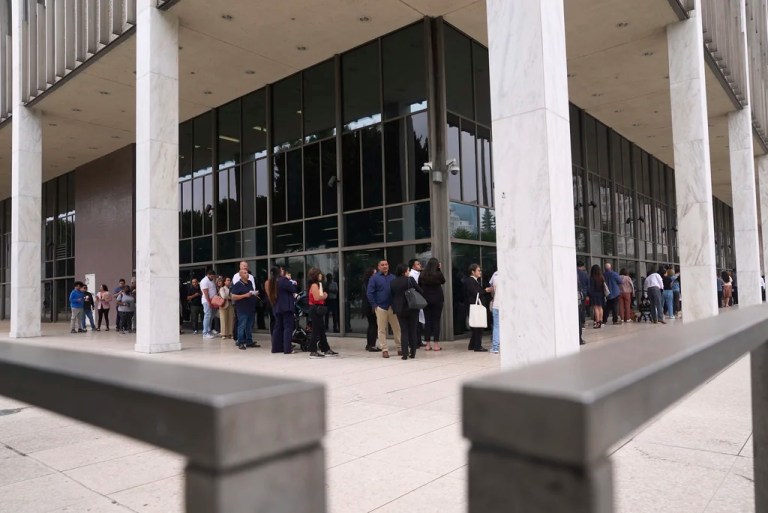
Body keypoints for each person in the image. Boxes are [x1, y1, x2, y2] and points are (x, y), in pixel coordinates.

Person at [366, 260, 401, 358]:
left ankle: (399, 348)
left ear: (388, 266)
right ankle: (384, 350)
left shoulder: (393, 277)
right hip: (381, 307)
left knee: (397, 328)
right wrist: (374, 305)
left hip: (392, 307)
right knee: (381, 329)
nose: (384, 266)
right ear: (378, 267)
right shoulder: (374, 278)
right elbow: (369, 293)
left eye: (386, 264)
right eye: (382, 265)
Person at [390, 264, 423, 360]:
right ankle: (413, 353)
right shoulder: (410, 279)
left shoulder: (393, 282)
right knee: (412, 330)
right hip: (412, 308)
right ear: (405, 271)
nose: (409, 272)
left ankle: (404, 354)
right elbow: (420, 290)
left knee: (404, 331)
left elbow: (392, 295)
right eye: (408, 270)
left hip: (399, 309)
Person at [308, 268, 338, 358]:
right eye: (319, 274)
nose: (321, 275)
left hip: (318, 308)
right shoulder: (314, 285)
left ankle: (325, 349)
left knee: (321, 331)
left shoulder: (319, 285)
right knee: (316, 331)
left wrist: (323, 295)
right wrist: (324, 296)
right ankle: (313, 351)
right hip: (315, 309)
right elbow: (317, 298)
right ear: (315, 275)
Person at [267, 266, 297, 354]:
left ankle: (276, 348)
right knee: (288, 327)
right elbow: (293, 289)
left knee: (278, 328)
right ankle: (287, 349)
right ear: (280, 272)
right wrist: (291, 281)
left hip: (277, 307)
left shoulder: (273, 281)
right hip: (286, 307)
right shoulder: (283, 280)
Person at [420, 258, 446, 351]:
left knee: (427, 321)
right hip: (437, 299)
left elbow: (419, 284)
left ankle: (427, 344)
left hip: (426, 299)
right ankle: (436, 345)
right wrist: (439, 269)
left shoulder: (423, 274)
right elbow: (443, 281)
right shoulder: (438, 273)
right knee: (436, 321)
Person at [462, 264, 490, 352]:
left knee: (476, 326)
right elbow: (475, 293)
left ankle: (472, 345)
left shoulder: (472, 281)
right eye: (478, 270)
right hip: (473, 305)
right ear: (473, 272)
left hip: (472, 305)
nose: (480, 272)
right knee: (478, 326)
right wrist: (485, 290)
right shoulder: (470, 281)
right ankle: (477, 346)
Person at [230, 269, 258, 350]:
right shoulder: (237, 284)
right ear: (240, 275)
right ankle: (240, 342)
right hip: (242, 309)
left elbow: (250, 292)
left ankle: (249, 341)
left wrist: (254, 293)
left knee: (249, 326)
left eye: (247, 273)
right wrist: (245, 295)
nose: (247, 274)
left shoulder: (249, 282)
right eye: (245, 273)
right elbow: (233, 296)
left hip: (250, 308)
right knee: (242, 325)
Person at [408, 259, 425, 347]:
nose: (420, 265)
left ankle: (419, 340)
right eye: (418, 264)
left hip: (419, 299)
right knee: (416, 322)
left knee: (418, 322)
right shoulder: (411, 275)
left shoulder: (419, 273)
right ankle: (415, 341)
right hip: (415, 300)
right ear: (413, 266)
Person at [362, 266, 380, 352]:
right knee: (374, 325)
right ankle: (372, 345)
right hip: (371, 306)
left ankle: (369, 344)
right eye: (375, 273)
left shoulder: (365, 282)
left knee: (371, 325)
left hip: (367, 306)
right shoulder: (370, 282)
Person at [200, 268, 218, 339]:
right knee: (207, 316)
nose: (213, 277)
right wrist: (208, 302)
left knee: (211, 316)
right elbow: (205, 292)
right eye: (212, 276)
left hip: (213, 300)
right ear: (208, 275)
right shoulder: (204, 281)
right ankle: (205, 332)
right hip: (207, 301)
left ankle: (209, 330)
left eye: (213, 276)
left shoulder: (211, 280)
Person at [489, 270, 501, 354]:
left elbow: (492, 290)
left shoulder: (495, 274)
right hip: (508, 306)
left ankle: (495, 347)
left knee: (496, 327)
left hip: (496, 304)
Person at [577, 262, 589, 344]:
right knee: (581, 311)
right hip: (580, 295)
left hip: (577, 295)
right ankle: (583, 322)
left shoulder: (571, 272)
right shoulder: (584, 274)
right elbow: (587, 284)